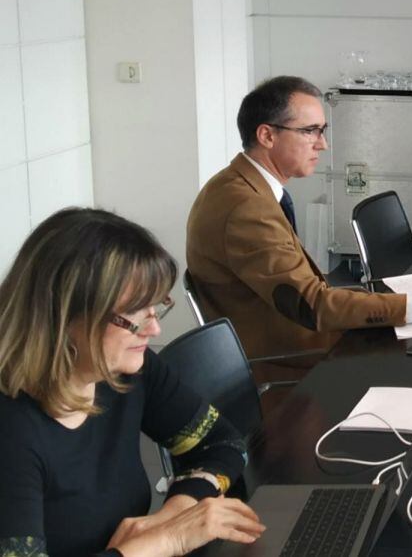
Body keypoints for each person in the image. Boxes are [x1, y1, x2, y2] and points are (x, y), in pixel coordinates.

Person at [0, 208, 265, 557]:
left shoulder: (126, 371)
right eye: (134, 317)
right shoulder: (12, 430)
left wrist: (174, 514)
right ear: (64, 318)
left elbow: (224, 443)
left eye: (155, 309)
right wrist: (166, 541)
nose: (153, 330)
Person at [186, 76, 412, 382]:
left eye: (322, 131)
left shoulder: (241, 186)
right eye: (309, 131)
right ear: (267, 135)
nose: (323, 144)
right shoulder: (245, 209)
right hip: (290, 359)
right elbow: (314, 305)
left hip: (301, 338)